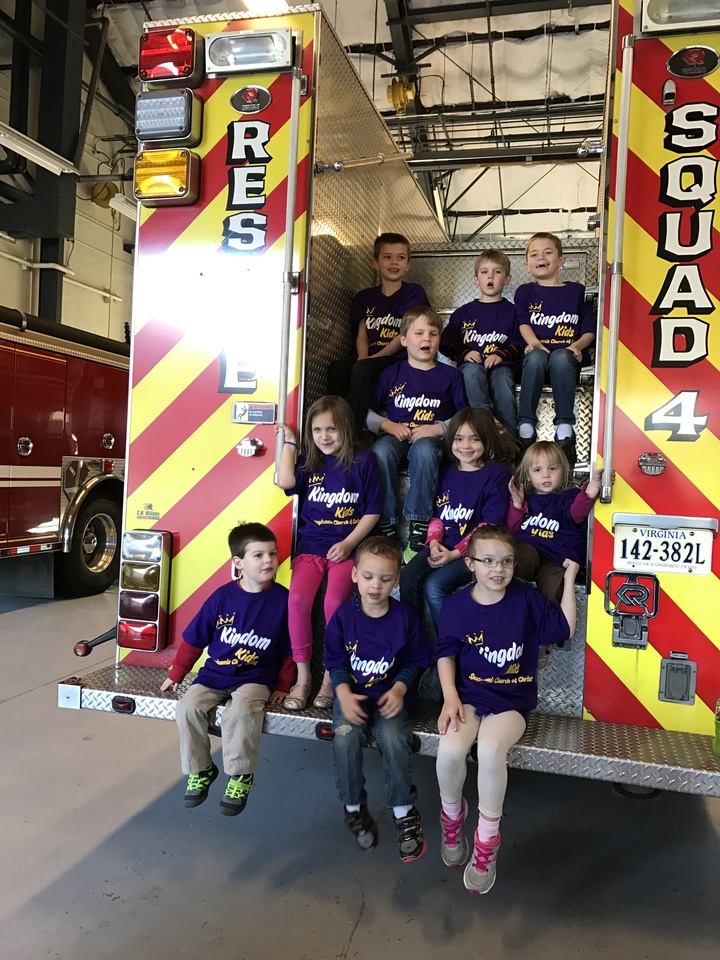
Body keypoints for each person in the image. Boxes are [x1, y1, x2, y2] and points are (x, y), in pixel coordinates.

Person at [434, 525, 578, 894]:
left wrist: (572, 577)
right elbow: (446, 652)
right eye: (488, 561)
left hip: (511, 702)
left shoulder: (525, 600)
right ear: (469, 564)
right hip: (468, 697)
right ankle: (452, 819)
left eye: (506, 561)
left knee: (490, 749)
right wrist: (450, 696)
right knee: (449, 749)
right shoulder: (456, 605)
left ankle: (486, 841)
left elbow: (562, 628)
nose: (498, 569)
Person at [160, 522, 295, 816]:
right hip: (214, 674)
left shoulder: (284, 600)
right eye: (258, 555)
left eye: (272, 554)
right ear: (238, 563)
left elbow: (289, 648)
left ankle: (240, 774)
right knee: (188, 708)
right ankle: (201, 770)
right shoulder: (222, 597)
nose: (269, 561)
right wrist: (177, 673)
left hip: (256, 677)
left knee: (241, 712)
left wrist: (284, 684)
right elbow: (194, 638)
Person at [324, 536, 430, 862]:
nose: (375, 586)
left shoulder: (405, 618)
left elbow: (417, 660)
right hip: (352, 697)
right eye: (368, 577)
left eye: (385, 579)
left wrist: (399, 688)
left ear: (396, 581)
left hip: (390, 700)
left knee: (393, 738)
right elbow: (336, 661)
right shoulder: (343, 618)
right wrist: (342, 692)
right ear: (354, 575)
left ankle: (403, 812)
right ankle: (354, 809)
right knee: (344, 738)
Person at [275, 395, 381, 711]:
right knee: (296, 601)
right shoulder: (312, 460)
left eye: (331, 429)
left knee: (335, 602)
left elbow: (373, 512)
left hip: (349, 548)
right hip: (312, 547)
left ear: (346, 428)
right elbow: (284, 480)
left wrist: (349, 543)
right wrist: (291, 443)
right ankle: (303, 676)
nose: (324, 437)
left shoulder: (365, 461)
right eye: (317, 430)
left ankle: (330, 677)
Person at [399, 407, 514, 631]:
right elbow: (436, 517)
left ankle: (450, 649)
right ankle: (414, 646)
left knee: (435, 585)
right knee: (408, 577)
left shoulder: (496, 474)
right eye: (459, 438)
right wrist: (433, 542)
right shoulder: (445, 473)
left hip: (477, 552)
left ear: (487, 441)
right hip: (443, 546)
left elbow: (488, 527)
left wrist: (453, 554)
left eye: (474, 439)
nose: (465, 446)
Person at [367, 306, 467, 560]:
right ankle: (387, 524)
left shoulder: (451, 375)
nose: (426, 339)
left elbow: (464, 416)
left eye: (433, 334)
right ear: (403, 340)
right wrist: (386, 425)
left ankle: (419, 527)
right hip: (396, 436)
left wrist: (438, 428)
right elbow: (365, 412)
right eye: (419, 333)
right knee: (380, 450)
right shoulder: (391, 374)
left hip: (432, 441)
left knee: (424, 451)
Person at [327, 232, 430, 434]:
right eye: (387, 257)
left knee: (362, 369)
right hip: (370, 356)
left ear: (408, 264)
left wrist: (371, 360)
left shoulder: (413, 293)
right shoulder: (364, 297)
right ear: (376, 263)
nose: (394, 262)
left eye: (401, 258)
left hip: (398, 357)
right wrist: (363, 357)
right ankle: (336, 420)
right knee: (337, 369)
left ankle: (351, 433)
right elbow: (362, 334)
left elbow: (405, 336)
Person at [515, 233, 596, 466]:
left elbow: (589, 330)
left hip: (567, 357)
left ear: (561, 259)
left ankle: (564, 431)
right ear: (527, 265)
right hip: (536, 358)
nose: (541, 257)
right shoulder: (525, 291)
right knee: (537, 356)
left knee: (561, 357)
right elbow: (523, 322)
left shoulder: (578, 291)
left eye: (548, 252)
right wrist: (534, 343)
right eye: (534, 254)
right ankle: (526, 429)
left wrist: (577, 346)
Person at [507, 439, 602, 603]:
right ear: (528, 476)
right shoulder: (525, 500)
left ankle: (546, 622)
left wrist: (592, 488)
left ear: (563, 471)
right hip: (529, 550)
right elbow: (511, 530)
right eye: (537, 470)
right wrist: (516, 505)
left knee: (554, 586)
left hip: (557, 558)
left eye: (552, 468)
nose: (546, 475)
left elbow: (577, 512)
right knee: (515, 558)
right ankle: (510, 607)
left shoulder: (568, 497)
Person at [440, 249, 523, 435]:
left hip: (502, 367)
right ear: (476, 279)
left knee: (502, 379)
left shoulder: (514, 312)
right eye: (484, 272)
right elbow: (445, 343)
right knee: (470, 371)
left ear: (507, 279)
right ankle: (487, 424)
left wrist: (500, 355)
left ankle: (509, 435)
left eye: (497, 271)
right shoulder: (463, 313)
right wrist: (464, 353)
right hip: (472, 367)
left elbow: (521, 343)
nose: (490, 276)